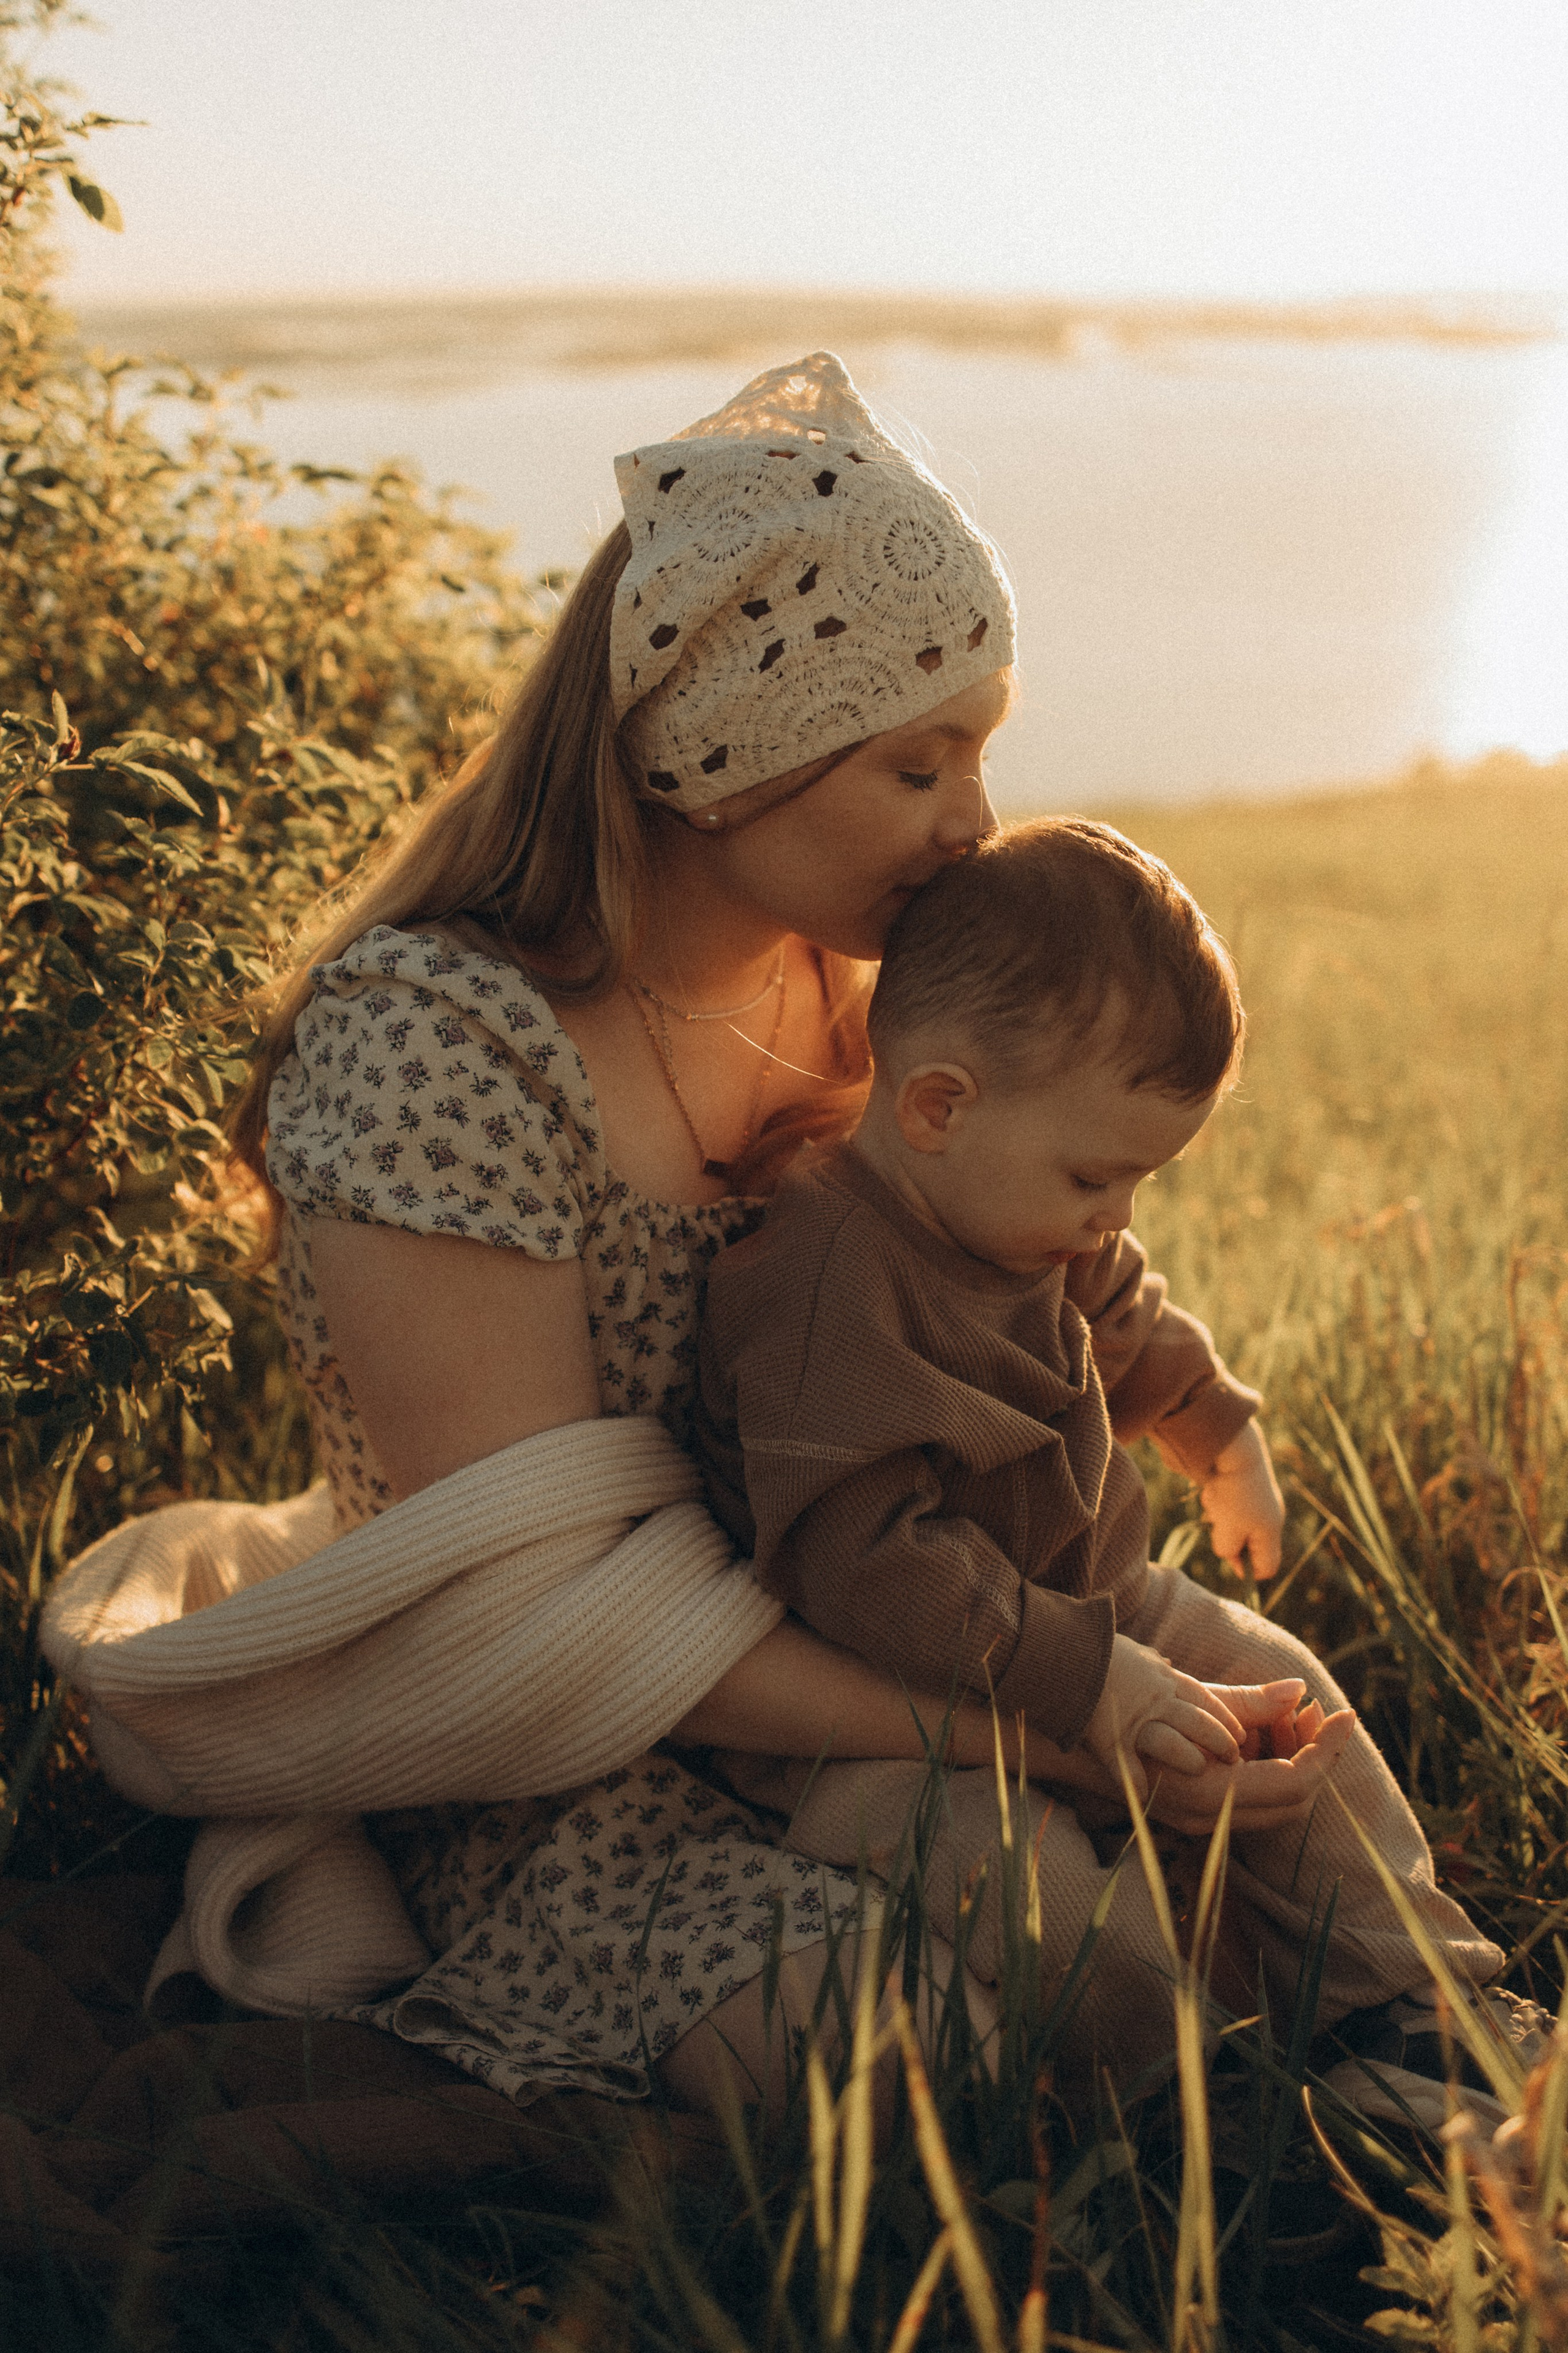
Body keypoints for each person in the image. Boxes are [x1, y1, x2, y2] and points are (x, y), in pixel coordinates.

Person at [48, 353, 1353, 2123]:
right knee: (920, 2064)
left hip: (933, 1630)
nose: (975, 819)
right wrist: (1055, 1725)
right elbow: (555, 1624)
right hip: (587, 1766)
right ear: (727, 748)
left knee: (1264, 1808)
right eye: (918, 761)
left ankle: (1416, 2070)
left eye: (982, 750)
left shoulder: (868, 999)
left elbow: (1052, 1290)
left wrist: (1128, 1610)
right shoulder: (438, 1042)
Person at [693, 817, 1507, 2093]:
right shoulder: (822, 1287)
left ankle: (1410, 2002)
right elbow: (863, 1561)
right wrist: (1088, 1682)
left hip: (1092, 1610)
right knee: (1045, 1901)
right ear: (936, 1107)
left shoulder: (1026, 1221)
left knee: (1286, 1697)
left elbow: (1126, 1317)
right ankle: (1186, 2109)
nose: (1113, 1214)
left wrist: (1220, 1430)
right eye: (1094, 1174)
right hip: (877, 1719)